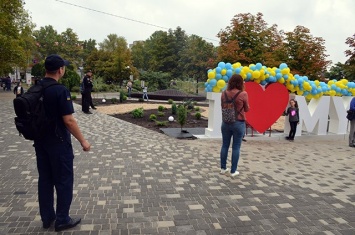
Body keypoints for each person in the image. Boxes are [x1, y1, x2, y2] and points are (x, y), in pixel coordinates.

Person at [34, 54, 91, 232]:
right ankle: (62, 219)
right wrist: (83, 141)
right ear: (60, 70)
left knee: (45, 180)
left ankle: (47, 217)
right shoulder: (60, 90)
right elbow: (69, 121)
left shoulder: (36, 87)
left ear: (45, 70)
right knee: (64, 181)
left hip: (40, 142)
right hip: (58, 143)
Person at [220, 74, 249, 177]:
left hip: (225, 123)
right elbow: (246, 109)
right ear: (240, 83)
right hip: (238, 123)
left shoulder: (223, 94)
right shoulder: (243, 94)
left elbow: (222, 107)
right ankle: (233, 171)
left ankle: (223, 168)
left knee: (225, 145)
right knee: (236, 147)